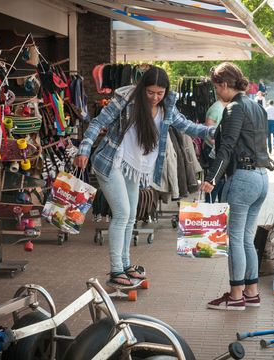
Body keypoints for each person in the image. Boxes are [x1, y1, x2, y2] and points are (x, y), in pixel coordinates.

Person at [74, 66, 214, 287]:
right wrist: (84, 148)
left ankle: (126, 265)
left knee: (131, 216)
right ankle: (116, 270)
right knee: (122, 214)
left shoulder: (167, 106)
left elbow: (185, 126)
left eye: (160, 93)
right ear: (142, 88)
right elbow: (97, 123)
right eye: (150, 92)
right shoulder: (125, 99)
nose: (155, 98)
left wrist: (209, 132)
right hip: (111, 160)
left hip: (133, 165)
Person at [200, 62, 270, 311]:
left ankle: (236, 295)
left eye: (216, 87)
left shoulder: (233, 109)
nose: (216, 93)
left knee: (235, 240)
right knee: (247, 239)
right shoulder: (256, 106)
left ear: (224, 84)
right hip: (262, 177)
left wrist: (212, 178)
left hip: (242, 179)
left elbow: (226, 148)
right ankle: (251, 292)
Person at [201, 99, 228, 203]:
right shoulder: (216, 108)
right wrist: (218, 145)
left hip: (217, 149)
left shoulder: (222, 108)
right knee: (216, 179)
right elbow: (208, 129)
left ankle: (220, 204)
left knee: (220, 179)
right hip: (212, 149)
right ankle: (209, 203)